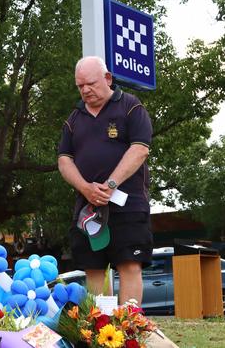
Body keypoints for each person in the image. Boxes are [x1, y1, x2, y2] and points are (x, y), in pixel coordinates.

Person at [57, 56, 153, 305]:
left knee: (129, 265)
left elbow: (140, 149)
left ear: (107, 78)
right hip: (88, 210)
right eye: (80, 86)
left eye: (91, 83)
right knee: (93, 269)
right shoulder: (73, 119)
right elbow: (64, 160)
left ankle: (130, 329)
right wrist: (86, 188)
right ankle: (100, 333)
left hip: (128, 205)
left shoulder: (131, 106)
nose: (85, 90)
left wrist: (111, 185)